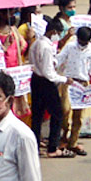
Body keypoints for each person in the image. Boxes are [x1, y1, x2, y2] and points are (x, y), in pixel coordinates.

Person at [28, 18, 70, 157]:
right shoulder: (45, 47)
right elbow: (49, 73)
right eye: (58, 33)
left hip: (36, 80)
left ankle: (34, 145)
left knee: (37, 115)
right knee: (57, 113)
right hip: (45, 82)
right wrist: (64, 79)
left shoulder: (36, 44)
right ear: (52, 32)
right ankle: (53, 147)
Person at [57, 25, 91, 156]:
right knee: (65, 110)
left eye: (85, 42)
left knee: (78, 116)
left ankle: (73, 142)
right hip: (69, 81)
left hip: (82, 83)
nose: (82, 44)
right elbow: (59, 59)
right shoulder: (70, 47)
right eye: (80, 41)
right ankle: (64, 136)